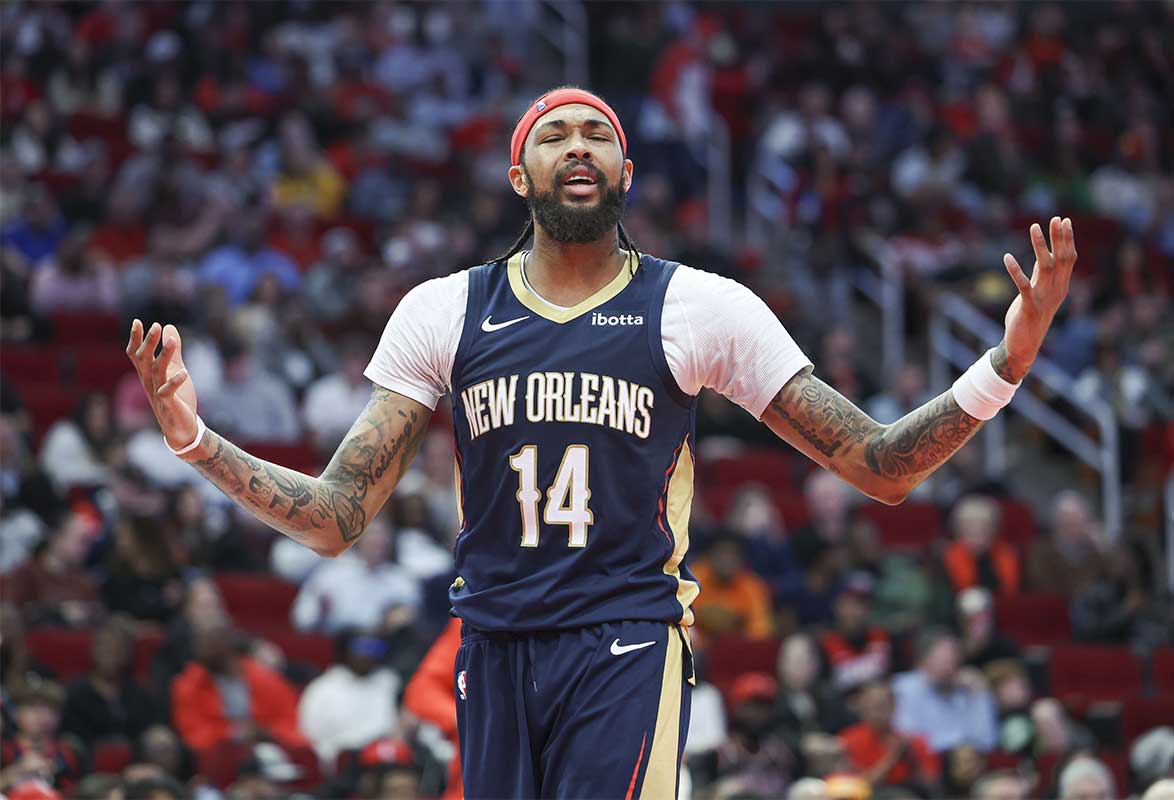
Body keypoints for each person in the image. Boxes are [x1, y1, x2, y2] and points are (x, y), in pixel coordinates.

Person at [126, 86, 1078, 798]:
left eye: (599, 136)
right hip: (492, 642)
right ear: (518, 174)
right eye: (554, 134)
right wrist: (196, 441)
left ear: (625, 172)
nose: (577, 145)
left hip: (625, 641)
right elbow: (337, 518)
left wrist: (1006, 361)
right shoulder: (444, 311)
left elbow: (879, 466)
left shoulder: (699, 306)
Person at [169, 620, 307, 752]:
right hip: (221, 754)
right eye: (203, 641)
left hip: (269, 747)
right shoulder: (189, 685)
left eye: (216, 639)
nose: (207, 647)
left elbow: (290, 723)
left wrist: (268, 733)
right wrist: (234, 734)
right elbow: (194, 736)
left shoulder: (265, 678)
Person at [297, 630, 403, 766]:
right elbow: (310, 733)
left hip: (385, 757)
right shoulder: (322, 688)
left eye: (374, 648)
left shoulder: (391, 682)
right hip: (339, 758)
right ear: (345, 650)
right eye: (361, 648)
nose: (367, 655)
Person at [892, 628, 998, 753]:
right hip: (924, 764)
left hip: (963, 763)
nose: (951, 666)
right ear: (924, 659)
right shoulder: (903, 688)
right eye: (944, 659)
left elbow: (987, 741)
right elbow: (908, 738)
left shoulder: (966, 691)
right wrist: (958, 743)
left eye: (955, 659)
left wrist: (980, 694)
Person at [60, 617, 160, 747]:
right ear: (93, 650)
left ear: (128, 654)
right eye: (104, 647)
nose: (110, 653)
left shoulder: (139, 694)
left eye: (117, 648)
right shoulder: (75, 693)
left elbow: (147, 731)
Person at [838, 680, 939, 795]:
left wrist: (912, 759)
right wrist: (892, 758)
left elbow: (931, 784)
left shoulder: (913, 740)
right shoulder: (848, 741)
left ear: (893, 707)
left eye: (880, 707)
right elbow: (858, 787)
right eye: (867, 708)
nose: (874, 713)